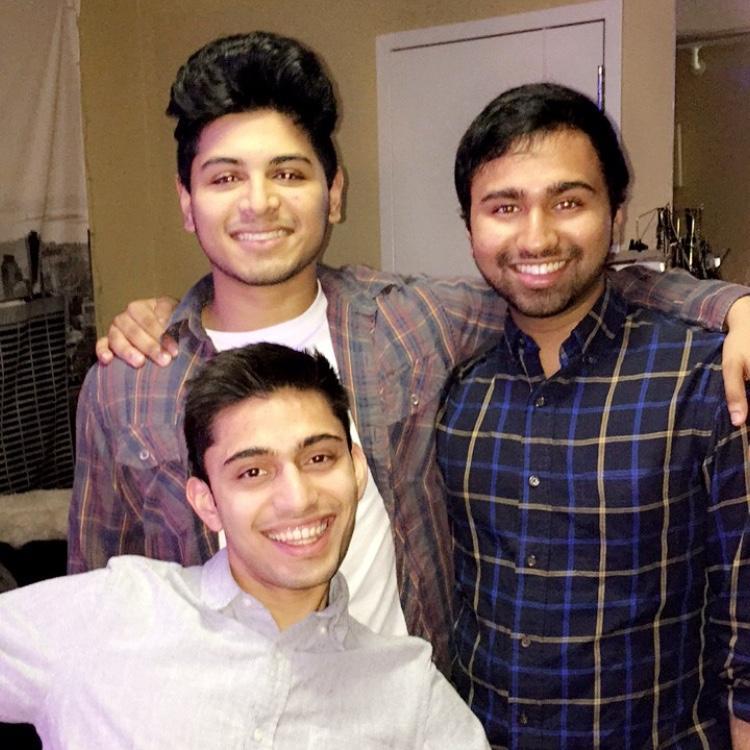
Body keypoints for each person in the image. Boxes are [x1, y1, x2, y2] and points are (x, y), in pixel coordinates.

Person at [73, 31, 750, 677]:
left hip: (411, 717)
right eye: (224, 178)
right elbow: (98, 608)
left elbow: (554, 276)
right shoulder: (128, 386)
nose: (259, 202)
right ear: (186, 202)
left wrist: (732, 307)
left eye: (288, 172)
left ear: (333, 193)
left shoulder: (409, 322)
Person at [436, 82, 750, 749]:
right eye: (504, 207)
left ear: (615, 213)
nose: (537, 236)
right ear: (470, 227)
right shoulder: (460, 395)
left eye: (568, 202)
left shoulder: (702, 379)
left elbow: (746, 627)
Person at [1, 343, 490, 749]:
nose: (298, 498)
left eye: (319, 458)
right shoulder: (111, 613)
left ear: (357, 471)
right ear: (207, 503)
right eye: (253, 472)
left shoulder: (410, 695)